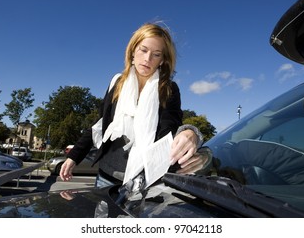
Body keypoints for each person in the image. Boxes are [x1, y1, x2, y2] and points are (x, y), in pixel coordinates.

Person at [60, 22, 208, 188]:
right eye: (143, 50)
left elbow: (171, 128)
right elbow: (101, 124)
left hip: (144, 182)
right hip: (105, 177)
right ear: (132, 51)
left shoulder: (168, 89)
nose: (147, 59)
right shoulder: (117, 83)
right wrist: (74, 156)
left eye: (156, 54)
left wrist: (191, 132)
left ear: (162, 61)